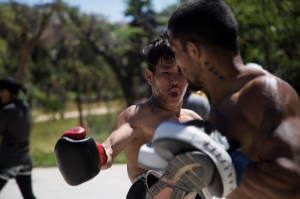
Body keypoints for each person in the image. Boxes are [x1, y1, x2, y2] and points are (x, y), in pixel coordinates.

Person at [154, 0, 300, 198]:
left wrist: (219, 161)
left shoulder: (261, 92)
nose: (177, 65)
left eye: (176, 52)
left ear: (194, 50)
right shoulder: (223, 99)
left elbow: (292, 179)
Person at [55, 36, 227, 199]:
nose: (175, 80)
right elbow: (109, 149)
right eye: (166, 73)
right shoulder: (138, 116)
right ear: (149, 76)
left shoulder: (194, 119)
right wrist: (95, 155)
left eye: (181, 72)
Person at [0, 76, 37, 199]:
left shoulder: (6, 110)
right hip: (24, 159)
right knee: (28, 195)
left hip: (8, 161)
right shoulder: (25, 106)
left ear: (6, 92)